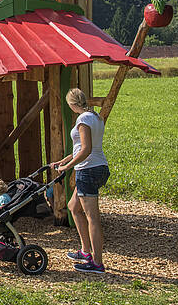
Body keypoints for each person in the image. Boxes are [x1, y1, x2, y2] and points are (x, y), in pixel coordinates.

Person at [50, 88, 110, 274]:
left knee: (92, 217)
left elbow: (86, 149)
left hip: (88, 170)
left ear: (72, 104)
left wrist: (68, 168)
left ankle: (97, 263)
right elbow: (80, 148)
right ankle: (85, 251)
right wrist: (64, 160)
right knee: (73, 207)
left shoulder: (82, 120)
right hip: (98, 167)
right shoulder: (95, 116)